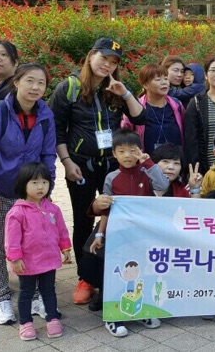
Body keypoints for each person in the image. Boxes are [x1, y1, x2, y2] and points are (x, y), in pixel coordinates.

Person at [49, 38, 146, 305]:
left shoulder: (115, 89)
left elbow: (140, 117)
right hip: (81, 165)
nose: (107, 65)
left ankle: (110, 270)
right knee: (83, 219)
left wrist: (124, 93)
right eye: (104, 58)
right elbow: (56, 129)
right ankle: (85, 278)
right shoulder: (68, 88)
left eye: (113, 62)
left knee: (113, 218)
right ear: (91, 55)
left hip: (113, 165)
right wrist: (67, 162)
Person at [0, 63, 56, 325]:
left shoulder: (46, 115)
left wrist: (47, 189)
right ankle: (1, 299)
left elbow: (48, 155)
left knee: (32, 246)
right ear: (16, 82)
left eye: (41, 83)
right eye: (30, 80)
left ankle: (34, 297)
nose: (35, 87)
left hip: (30, 197)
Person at [81, 128, 168, 336]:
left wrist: (149, 163)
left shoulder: (147, 172)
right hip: (117, 234)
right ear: (114, 153)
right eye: (121, 151)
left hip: (142, 234)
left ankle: (141, 311)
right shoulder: (112, 177)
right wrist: (100, 235)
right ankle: (113, 317)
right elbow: (106, 209)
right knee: (116, 272)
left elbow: (163, 185)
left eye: (132, 150)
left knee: (142, 272)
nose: (127, 155)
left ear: (140, 151)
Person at [4, 163, 71, 341]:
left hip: (49, 260)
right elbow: (12, 239)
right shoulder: (17, 212)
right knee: (26, 293)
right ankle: (25, 323)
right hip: (27, 262)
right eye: (34, 182)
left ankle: (52, 318)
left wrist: (65, 247)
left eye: (44, 182)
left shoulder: (53, 209)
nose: (40, 187)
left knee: (49, 291)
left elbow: (62, 230)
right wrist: (15, 258)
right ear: (23, 184)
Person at [122, 64, 184, 154]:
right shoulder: (135, 108)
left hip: (175, 161)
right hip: (146, 161)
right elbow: (125, 136)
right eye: (158, 79)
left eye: (166, 78)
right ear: (145, 85)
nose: (164, 82)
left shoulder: (177, 105)